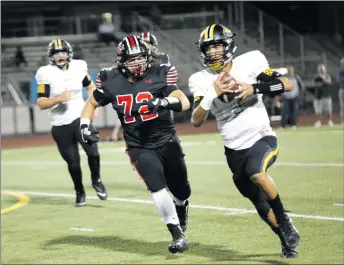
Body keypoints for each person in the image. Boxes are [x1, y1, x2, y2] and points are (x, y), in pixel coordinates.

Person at [189, 24, 300, 259]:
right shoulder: (199, 80)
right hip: (233, 147)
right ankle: (285, 238)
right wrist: (212, 94)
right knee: (259, 205)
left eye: (218, 45)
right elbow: (196, 120)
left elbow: (287, 84)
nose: (214, 52)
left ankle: (284, 219)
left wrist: (254, 87)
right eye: (209, 48)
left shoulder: (250, 61)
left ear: (228, 45)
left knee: (256, 172)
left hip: (260, 135)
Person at [79, 35, 191, 254]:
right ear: (121, 62)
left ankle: (181, 205)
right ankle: (177, 235)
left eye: (141, 58)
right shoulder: (111, 80)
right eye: (132, 59)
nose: (138, 63)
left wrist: (163, 101)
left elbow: (184, 101)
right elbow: (92, 102)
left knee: (181, 191)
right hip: (138, 144)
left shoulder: (160, 73)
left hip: (167, 140)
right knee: (157, 187)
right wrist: (84, 124)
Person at [35, 38, 108, 207]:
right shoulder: (45, 73)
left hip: (81, 117)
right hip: (60, 124)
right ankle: (79, 191)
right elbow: (41, 103)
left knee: (94, 152)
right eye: (56, 53)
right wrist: (58, 99)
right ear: (51, 56)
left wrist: (94, 106)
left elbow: (90, 88)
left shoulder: (78, 66)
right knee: (73, 163)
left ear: (69, 54)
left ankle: (96, 180)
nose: (60, 56)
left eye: (63, 52)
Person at [104, 32, 170, 142]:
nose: (146, 45)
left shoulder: (161, 58)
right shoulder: (134, 58)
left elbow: (164, 76)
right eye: (144, 43)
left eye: (148, 43)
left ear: (154, 45)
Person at [338, 58, 344, 124]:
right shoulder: (341, 71)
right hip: (342, 89)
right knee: (342, 106)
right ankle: (342, 121)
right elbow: (340, 80)